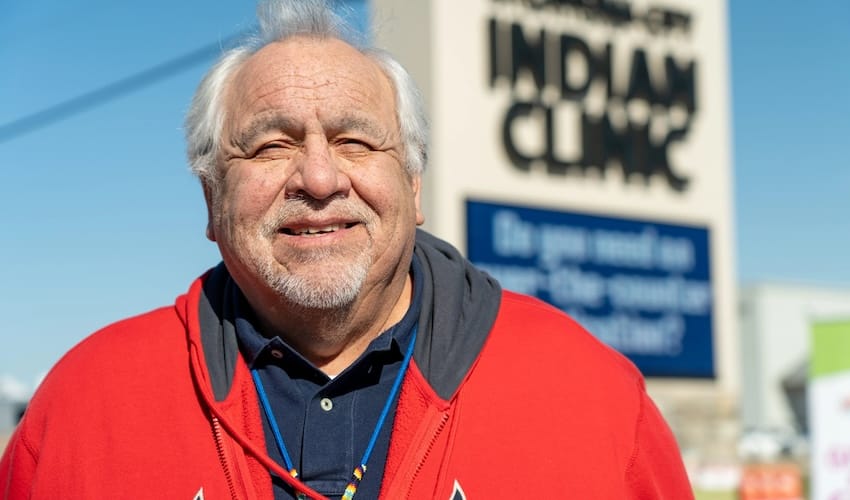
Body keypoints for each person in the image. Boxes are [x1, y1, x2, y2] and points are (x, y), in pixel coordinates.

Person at [0, 0, 694, 498]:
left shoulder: (595, 400)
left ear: (414, 185)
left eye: (356, 141)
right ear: (212, 200)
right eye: (271, 145)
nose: (320, 178)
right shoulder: (81, 410)